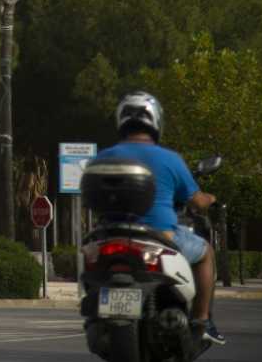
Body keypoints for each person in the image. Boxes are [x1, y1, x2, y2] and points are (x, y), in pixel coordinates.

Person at [96, 91, 225, 346]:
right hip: (160, 238)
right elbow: (197, 202)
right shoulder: (170, 159)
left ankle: (98, 319)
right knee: (206, 252)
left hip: (111, 236)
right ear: (155, 122)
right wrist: (210, 199)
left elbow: (91, 196)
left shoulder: (104, 157)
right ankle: (202, 321)